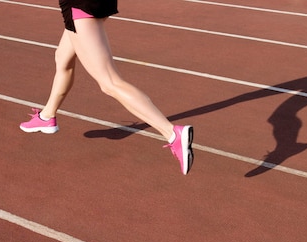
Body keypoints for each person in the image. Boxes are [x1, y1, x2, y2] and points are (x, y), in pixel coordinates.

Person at [20, 0, 194, 175]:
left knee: (109, 82)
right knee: (62, 57)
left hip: (79, 4)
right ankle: (47, 116)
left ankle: (172, 133)